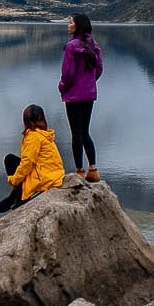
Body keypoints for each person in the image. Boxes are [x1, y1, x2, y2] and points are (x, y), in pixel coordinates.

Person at [0, 104, 65, 223]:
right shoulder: (44, 134)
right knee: (14, 193)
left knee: (10, 160)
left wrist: (14, 180)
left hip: (44, 178)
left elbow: (27, 163)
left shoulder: (33, 137)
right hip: (53, 175)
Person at [59, 13, 103, 182]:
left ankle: (79, 171)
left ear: (78, 26)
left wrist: (63, 87)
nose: (68, 25)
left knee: (75, 133)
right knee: (85, 132)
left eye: (70, 22)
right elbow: (99, 69)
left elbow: (68, 73)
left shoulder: (71, 46)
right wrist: (89, 82)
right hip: (89, 95)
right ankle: (93, 170)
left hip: (73, 96)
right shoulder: (94, 45)